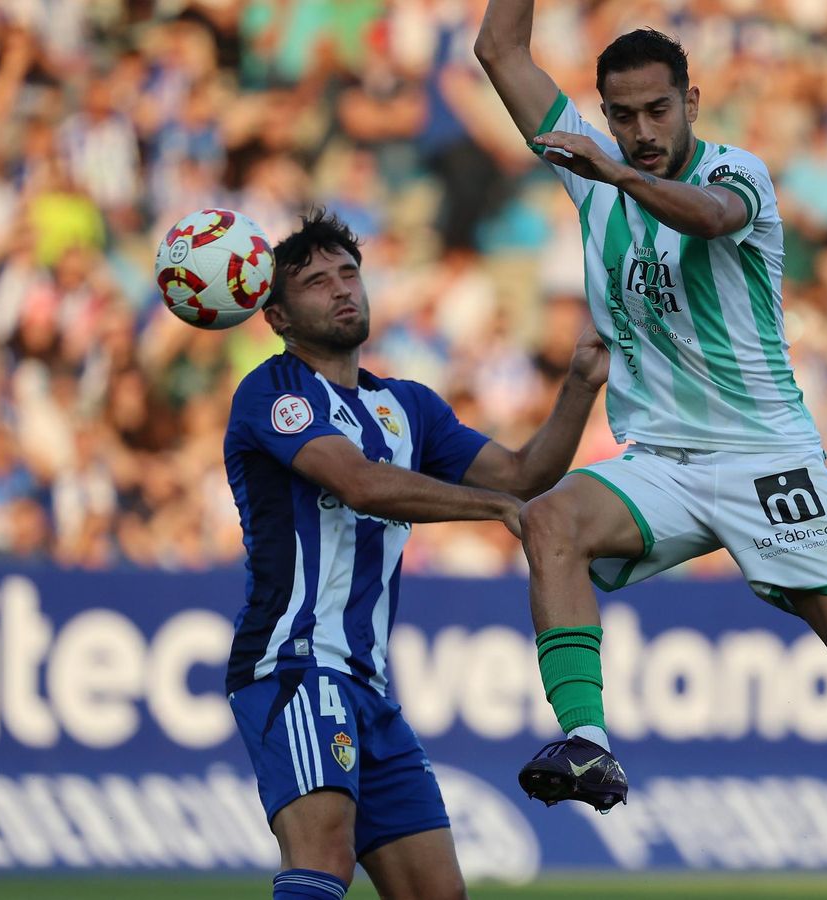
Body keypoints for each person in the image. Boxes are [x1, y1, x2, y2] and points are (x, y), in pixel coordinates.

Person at [474, 8, 827, 900]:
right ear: (603, 114)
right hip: (664, 460)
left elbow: (711, 218)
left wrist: (612, 174)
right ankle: (589, 742)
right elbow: (500, 50)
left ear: (691, 102)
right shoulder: (595, 172)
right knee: (551, 516)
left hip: (768, 459)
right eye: (623, 116)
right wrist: (601, 169)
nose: (641, 132)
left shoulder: (734, 173)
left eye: (658, 111)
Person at [222, 210, 608, 900]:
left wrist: (580, 381)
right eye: (315, 282)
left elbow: (522, 475)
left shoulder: (407, 407)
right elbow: (361, 483)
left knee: (438, 893)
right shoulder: (273, 392)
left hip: (370, 685)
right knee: (322, 855)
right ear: (276, 316)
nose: (342, 289)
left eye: (349, 273)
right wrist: (495, 511)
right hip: (296, 665)